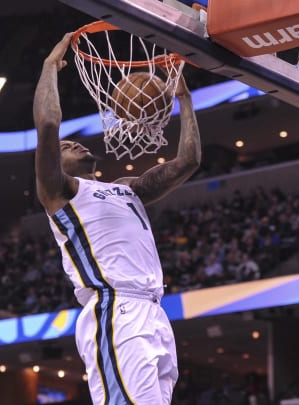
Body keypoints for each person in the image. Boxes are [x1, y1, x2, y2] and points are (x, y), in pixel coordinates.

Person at [33, 33, 201, 405]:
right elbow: (48, 125)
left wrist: (184, 100)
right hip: (115, 309)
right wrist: (49, 68)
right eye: (65, 147)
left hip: (154, 312)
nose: (73, 143)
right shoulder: (61, 193)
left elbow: (188, 161)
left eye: (74, 141)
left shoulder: (128, 188)